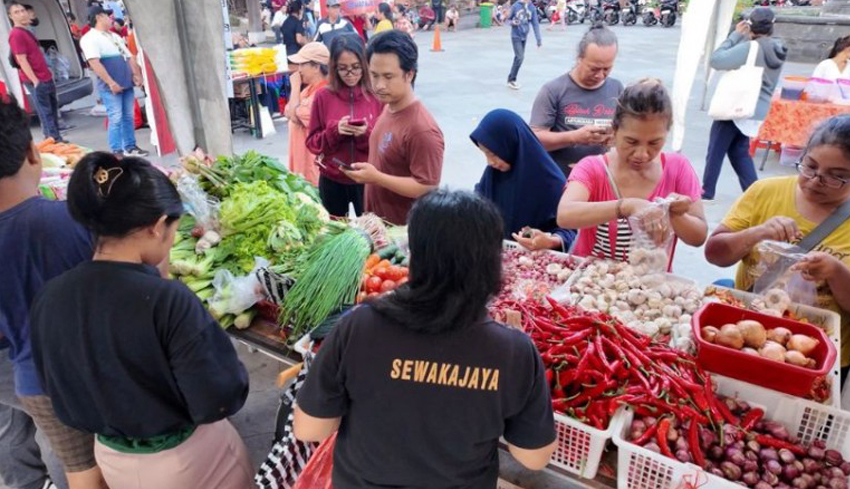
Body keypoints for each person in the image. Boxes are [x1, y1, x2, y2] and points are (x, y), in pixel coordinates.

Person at [293, 189, 557, 488]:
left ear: (415, 256)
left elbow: (309, 428)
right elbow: (534, 458)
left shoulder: (358, 326)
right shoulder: (514, 350)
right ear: (492, 263)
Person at [28, 152, 252, 489]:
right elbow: (219, 397)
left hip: (111, 458)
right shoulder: (167, 301)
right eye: (174, 229)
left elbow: (55, 389)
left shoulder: (50, 296)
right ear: (158, 225)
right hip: (186, 462)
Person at [0, 95, 104, 489]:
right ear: (31, 152)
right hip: (94, 365)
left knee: (80, 468)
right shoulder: (71, 220)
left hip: (33, 380)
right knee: (113, 453)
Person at [705, 115, 850, 384]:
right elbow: (714, 254)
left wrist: (835, 270)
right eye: (810, 166)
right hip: (742, 334)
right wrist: (756, 233)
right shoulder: (765, 191)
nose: (816, 180)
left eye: (837, 177)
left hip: (818, 354)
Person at [557, 79, 707, 268]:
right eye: (631, 141)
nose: (642, 154)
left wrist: (675, 214)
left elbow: (698, 237)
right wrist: (628, 206)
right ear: (615, 131)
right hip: (591, 287)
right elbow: (565, 215)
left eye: (654, 143)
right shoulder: (593, 168)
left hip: (649, 289)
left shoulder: (678, 168)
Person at [341, 30, 444, 225]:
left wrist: (376, 177)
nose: (379, 85)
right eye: (374, 75)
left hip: (403, 236)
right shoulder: (388, 106)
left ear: (409, 74)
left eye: (388, 76)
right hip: (379, 228)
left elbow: (427, 186)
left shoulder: (422, 129)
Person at [701, 7, 786, 201]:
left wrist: (735, 36)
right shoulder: (778, 48)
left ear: (750, 25)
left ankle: (707, 191)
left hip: (736, 106)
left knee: (716, 150)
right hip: (757, 109)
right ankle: (755, 193)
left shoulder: (751, 48)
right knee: (739, 151)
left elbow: (717, 60)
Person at [472, 109, 576, 251]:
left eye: (493, 154)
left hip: (533, 261)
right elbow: (478, 202)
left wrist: (550, 241)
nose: (490, 162)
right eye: (485, 153)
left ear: (511, 145)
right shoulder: (493, 173)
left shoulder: (551, 182)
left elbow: (570, 230)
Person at [530, 23, 623, 177]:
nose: (600, 75)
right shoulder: (553, 90)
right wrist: (574, 137)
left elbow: (625, 131)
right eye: (594, 68)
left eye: (607, 69)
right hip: (560, 179)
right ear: (579, 58)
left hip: (602, 178)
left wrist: (614, 138)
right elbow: (533, 139)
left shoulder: (617, 88)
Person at [307, 34, 383, 217]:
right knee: (335, 236)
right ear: (334, 68)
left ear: (365, 64)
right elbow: (312, 143)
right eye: (343, 69)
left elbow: (386, 144)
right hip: (332, 179)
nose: (350, 74)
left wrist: (366, 134)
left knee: (374, 234)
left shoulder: (377, 96)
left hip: (367, 179)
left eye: (356, 68)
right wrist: (334, 132)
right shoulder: (323, 96)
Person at [80, 6, 148, 157]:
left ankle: (130, 146)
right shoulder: (90, 38)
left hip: (126, 83)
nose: (110, 19)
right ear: (99, 17)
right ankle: (116, 151)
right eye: (107, 16)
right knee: (115, 118)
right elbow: (95, 63)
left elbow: (129, 57)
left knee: (128, 116)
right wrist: (111, 82)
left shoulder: (114, 36)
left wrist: (136, 75)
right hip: (111, 87)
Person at [7, 2, 65, 142]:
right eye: (16, 12)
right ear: (10, 16)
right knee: (46, 113)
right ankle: (53, 140)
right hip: (36, 79)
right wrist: (35, 80)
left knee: (52, 110)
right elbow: (21, 59)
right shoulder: (16, 34)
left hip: (45, 76)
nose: (22, 14)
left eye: (22, 10)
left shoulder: (26, 31)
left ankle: (56, 138)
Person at [286, 42, 330, 186]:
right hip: (301, 163)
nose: (299, 70)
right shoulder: (309, 90)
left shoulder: (321, 95)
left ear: (316, 67)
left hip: (311, 167)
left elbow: (293, 114)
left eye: (302, 65)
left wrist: (295, 87)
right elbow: (288, 110)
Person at [505, 0, 541, 91]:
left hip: (524, 36)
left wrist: (538, 39)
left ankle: (511, 78)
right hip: (515, 35)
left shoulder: (531, 7)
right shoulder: (515, 6)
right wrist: (512, 22)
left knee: (518, 58)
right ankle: (512, 79)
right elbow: (507, 20)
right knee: (520, 57)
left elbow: (535, 23)